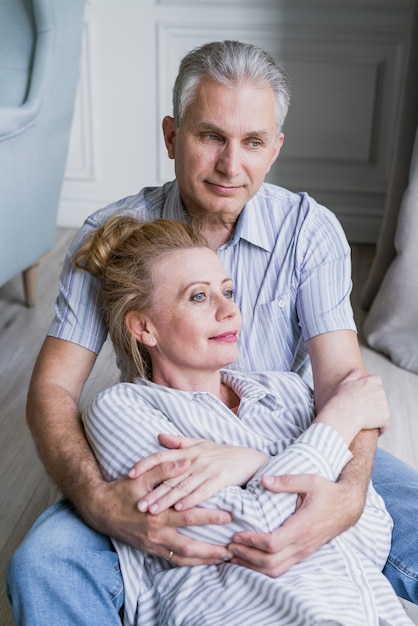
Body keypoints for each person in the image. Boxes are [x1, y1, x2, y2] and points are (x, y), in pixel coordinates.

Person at [7, 40, 418, 624]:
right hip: (176, 450)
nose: (232, 165)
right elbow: (52, 391)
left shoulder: (309, 230)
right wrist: (100, 502)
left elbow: (345, 385)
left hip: (295, 432)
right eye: (210, 137)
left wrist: (348, 497)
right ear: (172, 137)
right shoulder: (114, 236)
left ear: (274, 149)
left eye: (252, 142)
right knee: (44, 564)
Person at [78, 214, 410, 625]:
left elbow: (373, 535)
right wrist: (337, 421)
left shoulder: (285, 391)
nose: (228, 311)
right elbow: (254, 534)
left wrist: (251, 464)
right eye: (198, 297)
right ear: (145, 327)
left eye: (228, 291)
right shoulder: (123, 411)